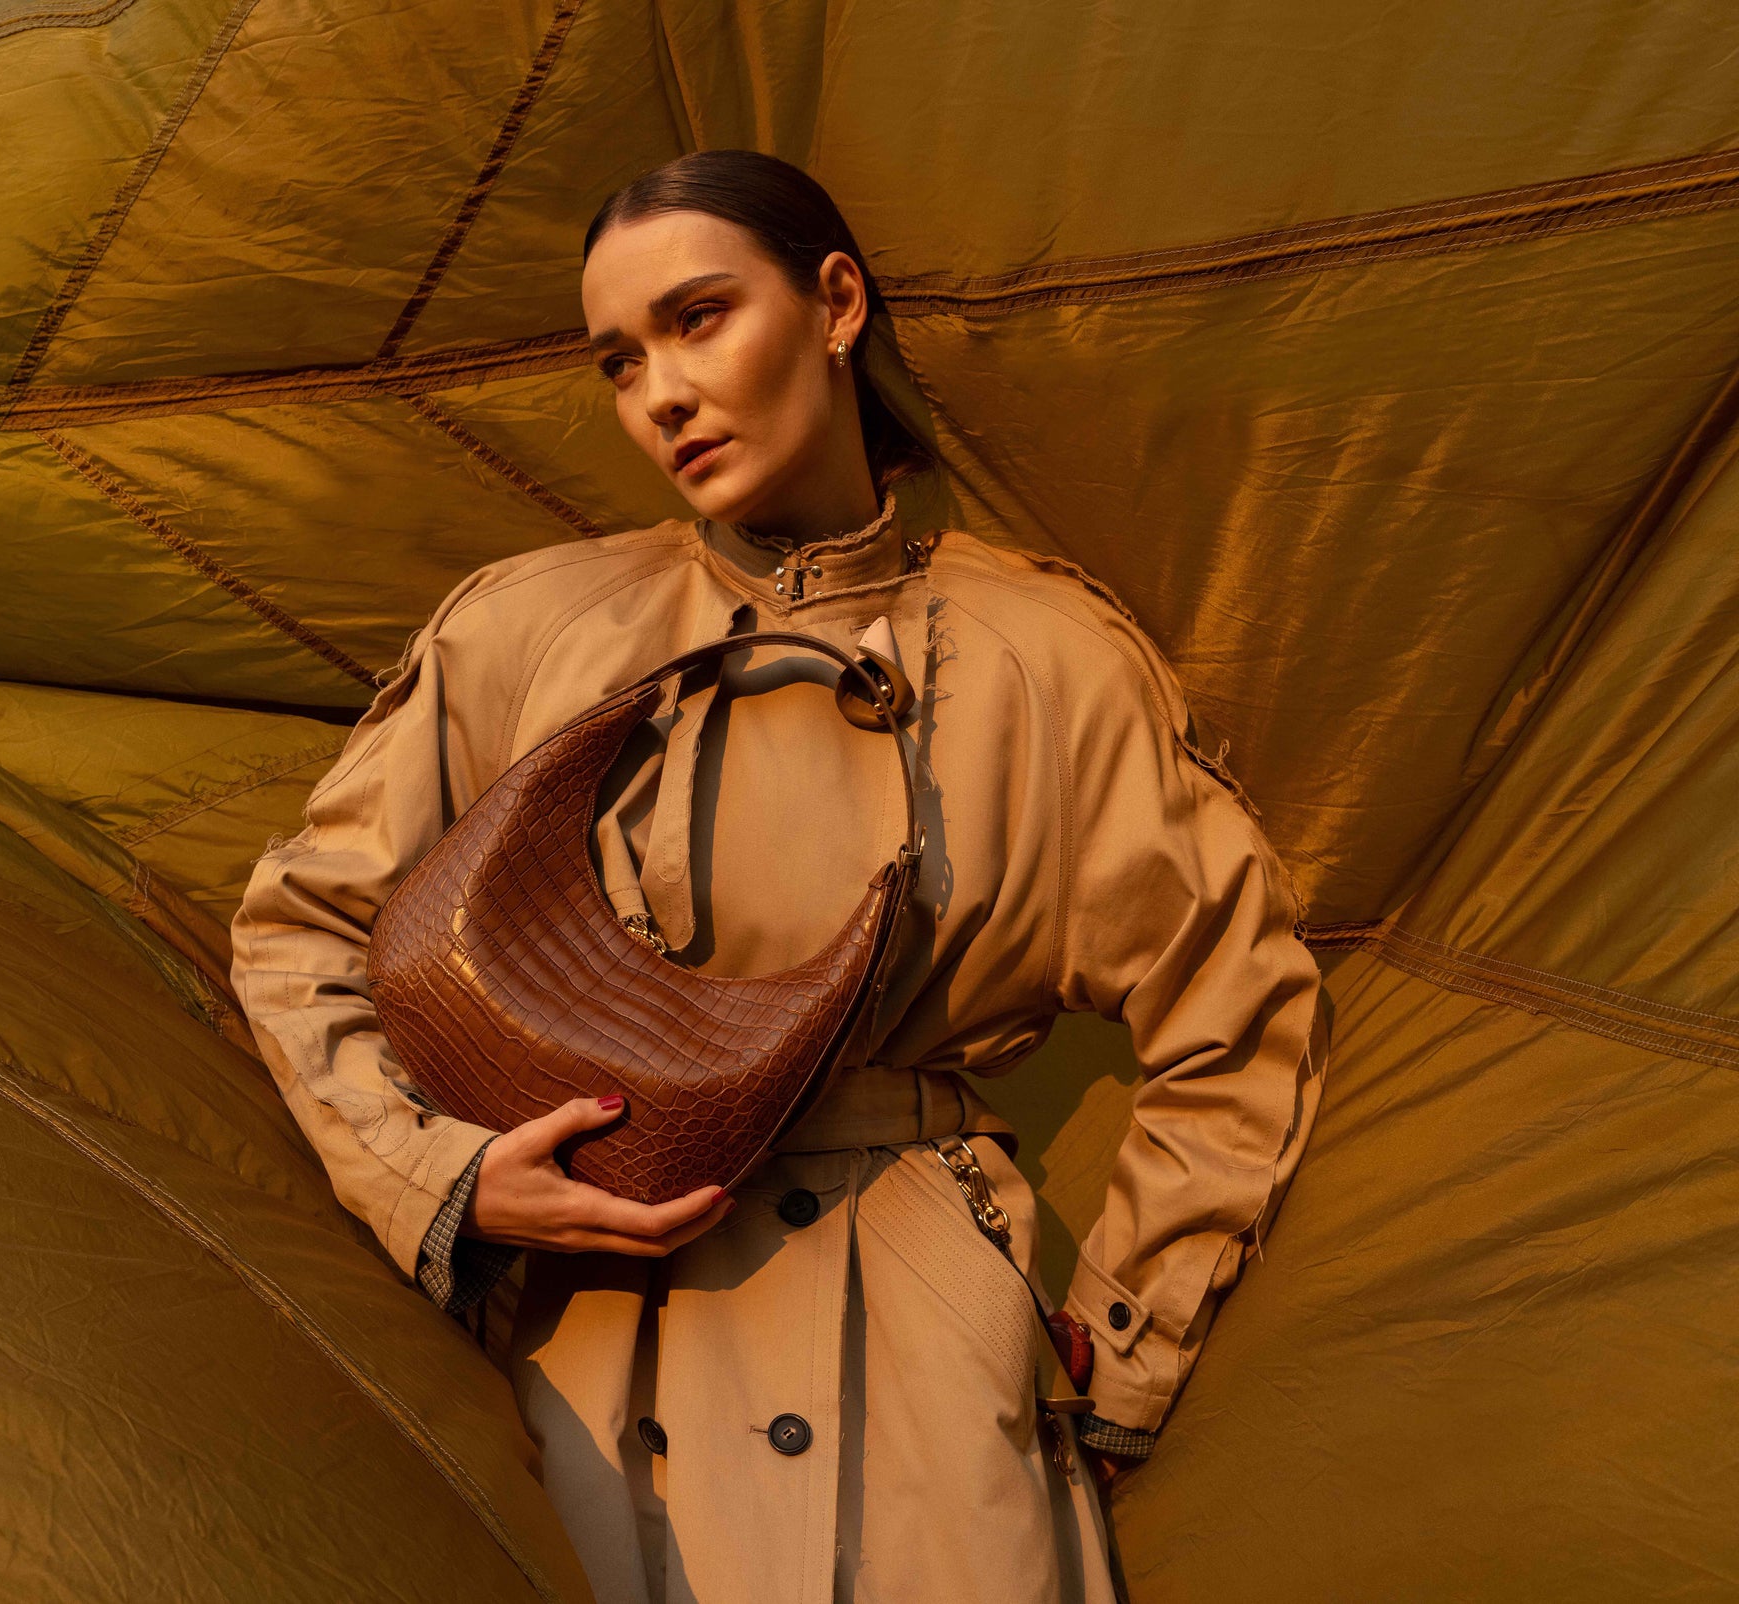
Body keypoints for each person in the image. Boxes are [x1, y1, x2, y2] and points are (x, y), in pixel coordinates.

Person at [230, 149, 1328, 1604]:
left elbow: (1238, 1018)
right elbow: (300, 930)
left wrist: (1120, 1347)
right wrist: (448, 1178)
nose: (662, 393)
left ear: (834, 303)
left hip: (934, 1357)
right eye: (621, 363)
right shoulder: (531, 629)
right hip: (597, 1347)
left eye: (698, 319)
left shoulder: (1046, 655)